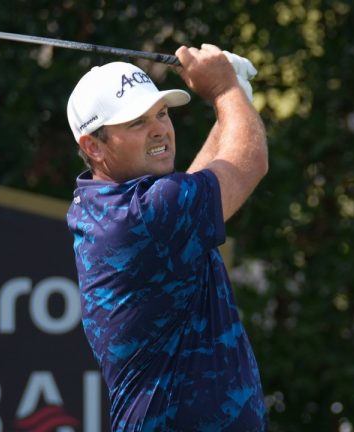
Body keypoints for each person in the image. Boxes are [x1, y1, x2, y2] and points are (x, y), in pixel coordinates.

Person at [66, 44, 269, 431]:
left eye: (161, 114)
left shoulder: (109, 205)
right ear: (93, 146)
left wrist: (236, 96)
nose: (160, 128)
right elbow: (250, 162)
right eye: (136, 122)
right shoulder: (143, 216)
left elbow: (196, 190)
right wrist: (225, 90)